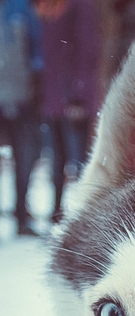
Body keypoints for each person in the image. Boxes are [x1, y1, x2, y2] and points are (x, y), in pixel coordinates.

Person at [33, 0, 100, 222]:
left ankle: (84, 211)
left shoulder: (80, 6)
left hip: (73, 99)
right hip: (54, 96)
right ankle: (58, 209)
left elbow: (86, 48)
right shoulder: (49, 7)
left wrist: (77, 96)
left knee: (79, 159)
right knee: (58, 157)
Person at [0, 0, 43, 235]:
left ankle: (20, 216)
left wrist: (34, 82)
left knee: (24, 157)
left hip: (21, 95)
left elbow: (37, 50)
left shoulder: (21, 8)